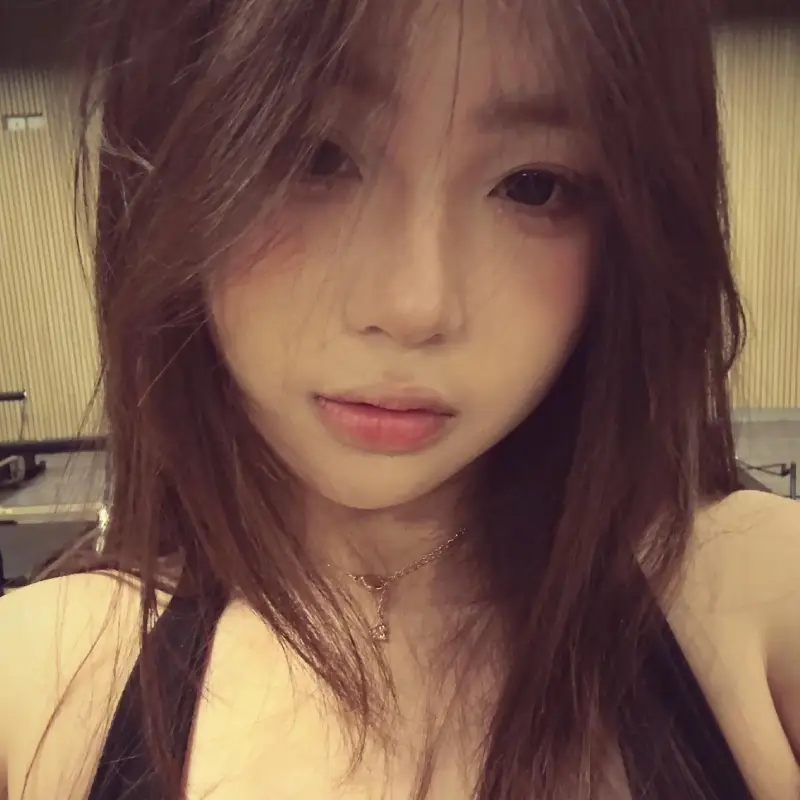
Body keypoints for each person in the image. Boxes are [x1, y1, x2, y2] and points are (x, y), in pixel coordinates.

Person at [1, 0, 799, 797]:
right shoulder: (42, 682)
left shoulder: (754, 595)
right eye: (312, 155)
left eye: (533, 185)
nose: (415, 306)